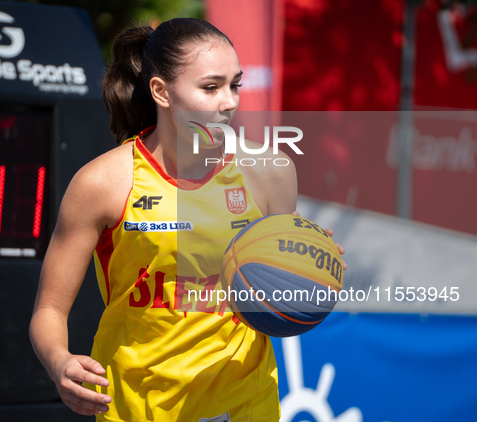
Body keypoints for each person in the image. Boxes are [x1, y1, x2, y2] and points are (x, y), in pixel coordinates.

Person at [30, 18, 345, 421]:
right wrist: (60, 362)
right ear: (161, 91)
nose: (229, 101)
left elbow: (279, 289)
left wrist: (313, 271)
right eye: (211, 87)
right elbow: (49, 311)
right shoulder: (103, 183)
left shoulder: (269, 170)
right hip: (139, 405)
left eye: (235, 85)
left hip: (244, 401)